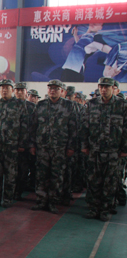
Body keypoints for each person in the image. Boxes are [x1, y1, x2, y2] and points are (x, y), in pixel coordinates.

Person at [81, 77, 127, 221]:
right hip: (94, 150)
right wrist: (84, 146)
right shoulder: (92, 104)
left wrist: (125, 148)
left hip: (114, 151)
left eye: (107, 87)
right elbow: (85, 127)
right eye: (101, 87)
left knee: (110, 182)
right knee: (93, 180)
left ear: (113, 88)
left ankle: (105, 209)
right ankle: (93, 208)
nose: (103, 89)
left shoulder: (122, 105)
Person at [30, 79, 78, 214]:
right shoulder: (40, 105)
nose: (53, 90)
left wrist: (71, 147)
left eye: (56, 88)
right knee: (41, 175)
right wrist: (32, 144)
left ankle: (53, 202)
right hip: (42, 147)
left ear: (61, 91)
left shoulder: (69, 106)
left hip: (60, 148)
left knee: (57, 175)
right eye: (50, 88)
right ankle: (41, 200)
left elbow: (73, 128)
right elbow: (33, 126)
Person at [0, 79, 28, 208]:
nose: (4, 90)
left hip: (11, 145)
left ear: (12, 90)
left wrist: (21, 144)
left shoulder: (19, 104)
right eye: (2, 88)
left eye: (7, 88)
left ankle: (8, 198)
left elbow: (24, 125)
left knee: (10, 173)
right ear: (0, 90)